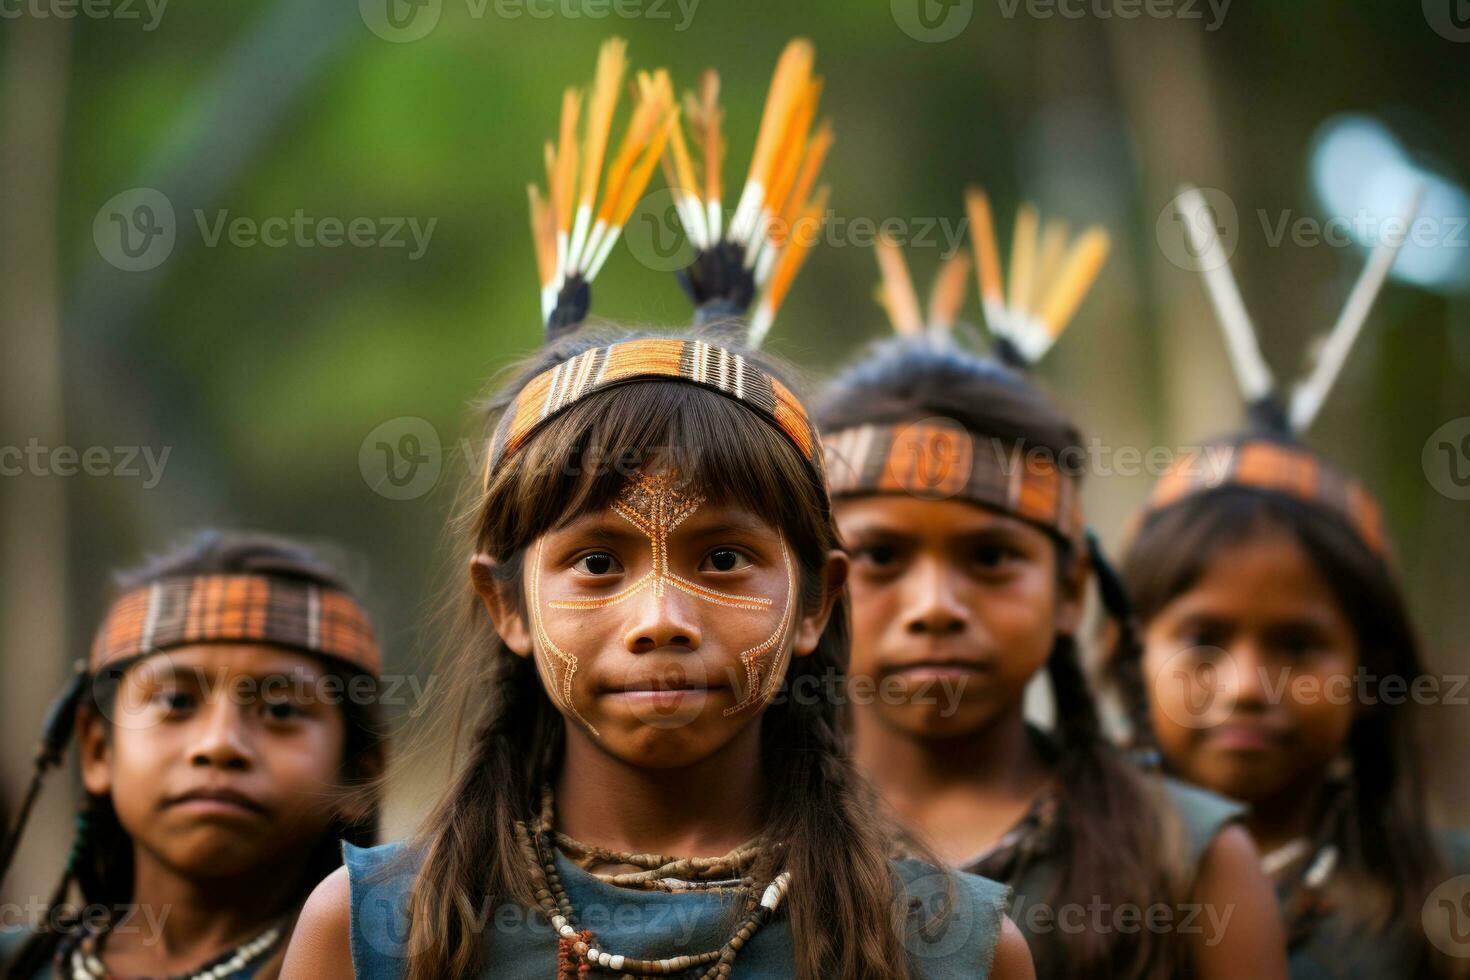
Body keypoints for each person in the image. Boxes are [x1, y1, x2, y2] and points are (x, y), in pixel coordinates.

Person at [282, 39, 1033, 980]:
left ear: (815, 601)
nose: (662, 622)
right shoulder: (373, 935)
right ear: (505, 602)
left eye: (724, 560)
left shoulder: (948, 949)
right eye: (597, 563)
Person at [813, 199, 1289, 978]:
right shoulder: (731, 836)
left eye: (992, 558)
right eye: (882, 556)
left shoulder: (1189, 859)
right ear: (815, 588)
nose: (936, 606)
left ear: (1071, 591)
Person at [1109, 184, 1470, 977]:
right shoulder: (1057, 886)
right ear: (1129, 656)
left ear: (1372, 672)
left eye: (1300, 645)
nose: (1246, 687)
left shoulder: (1443, 901)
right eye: (1203, 637)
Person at [0, 531, 386, 980]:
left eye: (280, 709)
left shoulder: (394, 967)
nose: (219, 743)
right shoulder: (16, 965)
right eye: (176, 702)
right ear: (98, 751)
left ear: (358, 775)